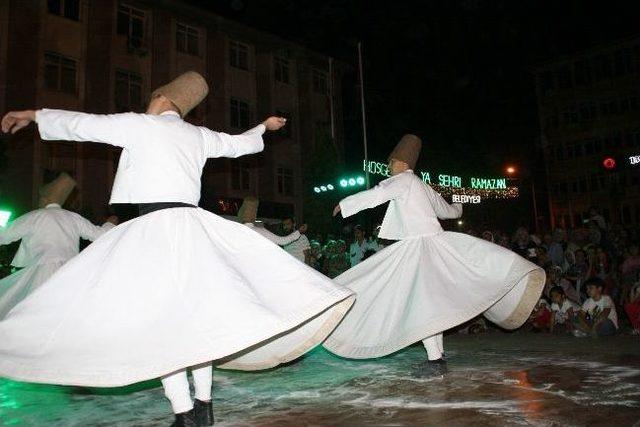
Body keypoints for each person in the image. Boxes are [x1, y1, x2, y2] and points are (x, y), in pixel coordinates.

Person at [0, 71, 354, 426]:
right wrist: (263, 127)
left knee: (165, 325)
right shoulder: (197, 135)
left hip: (153, 230)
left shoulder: (140, 125)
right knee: (193, 321)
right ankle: (203, 407)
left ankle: (184, 414)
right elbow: (237, 144)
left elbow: (84, 125)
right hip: (191, 229)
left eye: (151, 98)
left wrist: (34, 115)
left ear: (163, 99)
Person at [323, 134, 545, 377]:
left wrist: (344, 204)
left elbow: (377, 194)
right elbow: (444, 209)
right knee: (430, 306)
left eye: (391, 161)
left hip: (419, 250)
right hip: (433, 247)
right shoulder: (421, 184)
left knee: (422, 305)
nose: (388, 166)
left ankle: (435, 359)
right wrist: (458, 207)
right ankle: (436, 357)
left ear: (402, 163)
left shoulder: (402, 181)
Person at [0, 173, 116, 318]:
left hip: (43, 271)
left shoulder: (36, 216)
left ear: (46, 198)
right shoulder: (72, 217)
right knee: (66, 314)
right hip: (70, 272)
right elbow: (99, 235)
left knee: (32, 314)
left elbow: (4, 235)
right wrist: (110, 223)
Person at [238, 196, 307, 246]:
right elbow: (282, 241)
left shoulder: (234, 231)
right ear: (255, 213)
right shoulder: (259, 231)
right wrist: (299, 231)